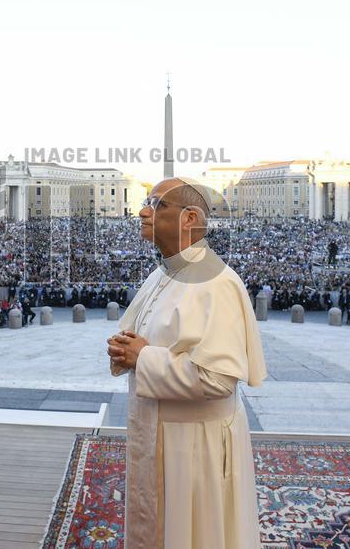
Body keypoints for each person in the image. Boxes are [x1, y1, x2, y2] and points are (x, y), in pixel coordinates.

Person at [107, 178, 266, 549]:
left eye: (158, 204)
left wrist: (141, 357)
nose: (143, 211)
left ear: (189, 217)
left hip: (193, 446)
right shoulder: (163, 273)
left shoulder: (217, 283)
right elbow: (143, 339)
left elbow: (217, 379)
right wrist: (125, 351)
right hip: (159, 433)